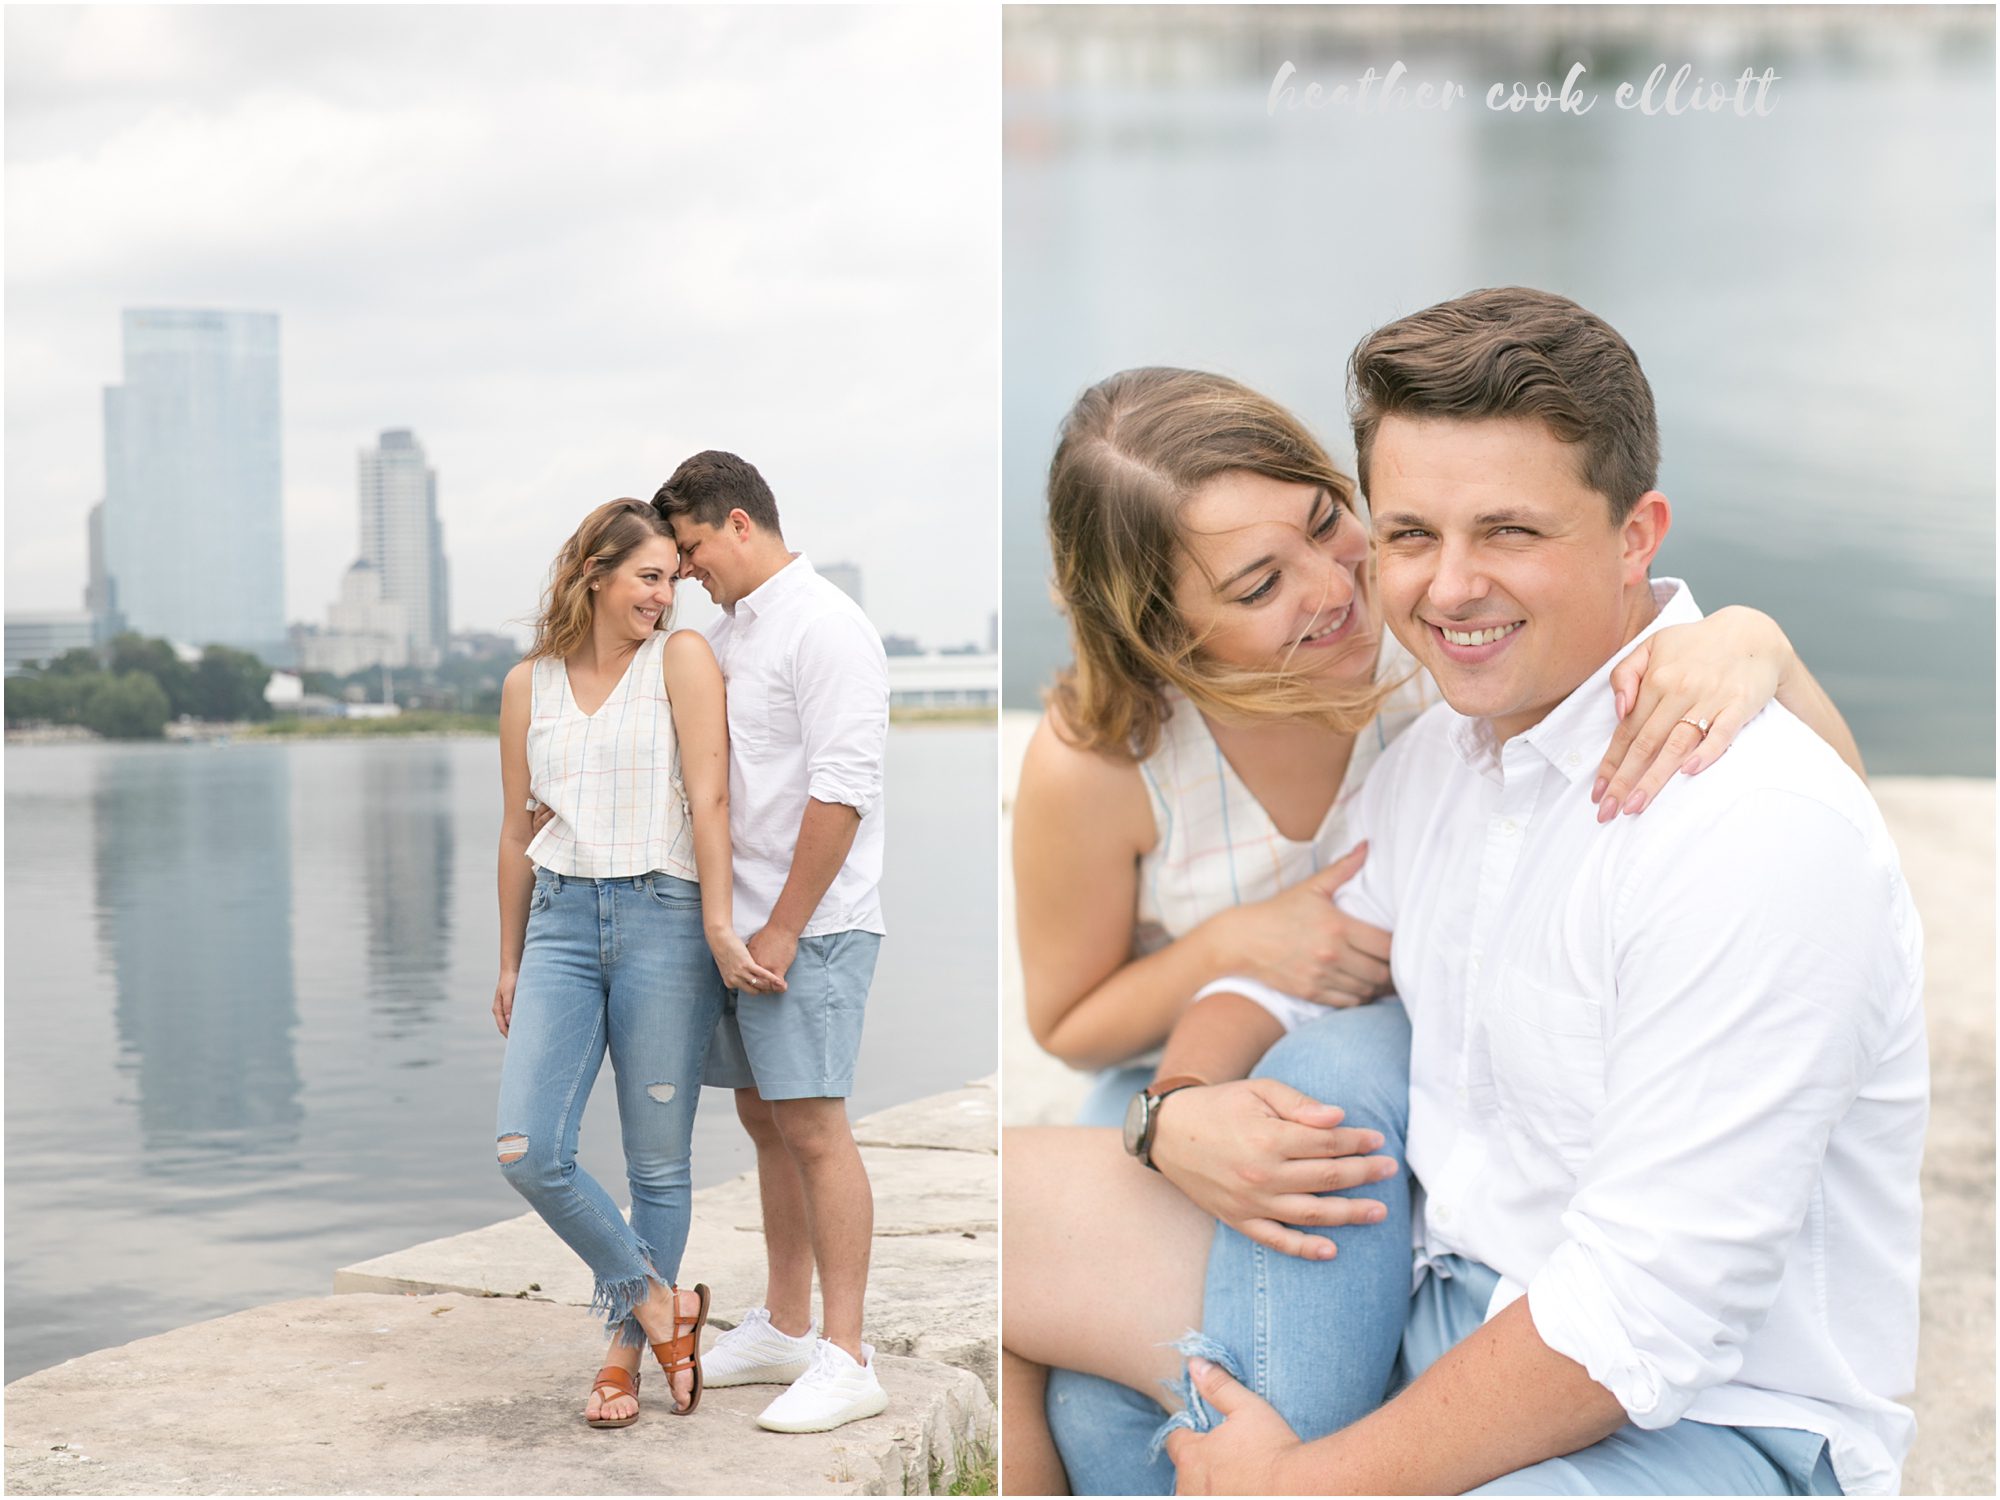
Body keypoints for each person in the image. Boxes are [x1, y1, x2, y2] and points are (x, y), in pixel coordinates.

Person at [1024, 290, 1928, 1495]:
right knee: (1094, 1393)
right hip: (1448, 1290)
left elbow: (1638, 1314)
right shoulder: (1447, 755)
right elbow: (1263, 975)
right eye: (1407, 534)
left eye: (1507, 531)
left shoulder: (1741, 819)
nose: (1438, 592)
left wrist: (1296, 1484)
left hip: (1701, 1416)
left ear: (1633, 534)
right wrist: (1179, 1099)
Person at [493, 497, 780, 1427]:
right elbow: (514, 831)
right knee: (528, 1149)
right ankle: (661, 1303)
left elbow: (710, 801)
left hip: (664, 917)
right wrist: (508, 960)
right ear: (594, 575)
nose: (666, 595)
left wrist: (720, 927)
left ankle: (622, 1357)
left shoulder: (681, 660)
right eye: (647, 577)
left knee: (658, 1167)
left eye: (670, 576)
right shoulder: (525, 684)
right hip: (561, 927)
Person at [653, 450, 893, 1435]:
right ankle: (787, 1326)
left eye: (693, 546)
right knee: (763, 1120)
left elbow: (842, 787)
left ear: (740, 523)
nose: (686, 568)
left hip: (813, 927)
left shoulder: (826, 625)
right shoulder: (725, 631)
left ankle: (847, 1355)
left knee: (814, 1128)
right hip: (742, 930)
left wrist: (787, 926)